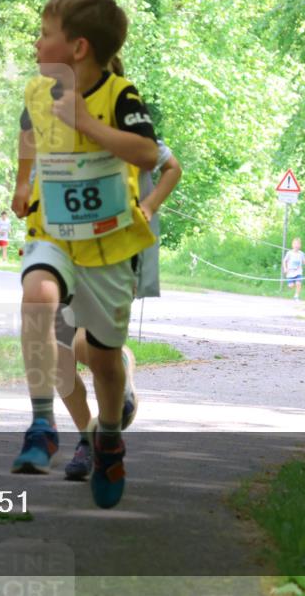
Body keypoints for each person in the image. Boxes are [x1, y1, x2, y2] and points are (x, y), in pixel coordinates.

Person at [10, 0, 159, 509]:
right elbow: (30, 138)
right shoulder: (36, 93)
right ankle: (41, 424)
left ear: (77, 47)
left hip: (109, 242)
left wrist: (88, 125)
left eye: (44, 34)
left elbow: (148, 153)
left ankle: (109, 436)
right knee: (36, 299)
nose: (36, 43)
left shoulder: (120, 94)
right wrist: (23, 182)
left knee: (103, 358)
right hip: (51, 230)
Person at [58, 139, 182, 481]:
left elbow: (172, 167)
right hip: (63, 252)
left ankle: (117, 368)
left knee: (90, 347)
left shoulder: (123, 124)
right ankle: (87, 439)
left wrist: (149, 206)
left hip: (115, 255)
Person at [282, 237, 305, 301]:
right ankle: (291, 285)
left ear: (300, 245)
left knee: (298, 283)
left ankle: (296, 296)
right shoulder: (289, 253)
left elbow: (304, 262)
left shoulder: (301, 253)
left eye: (298, 244)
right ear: (292, 245)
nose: (297, 245)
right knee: (291, 286)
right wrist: (285, 268)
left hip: (298, 272)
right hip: (290, 272)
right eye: (295, 244)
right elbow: (284, 261)